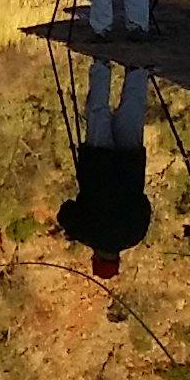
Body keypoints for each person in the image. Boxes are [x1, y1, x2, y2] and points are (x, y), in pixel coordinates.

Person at [58, 58, 153, 281]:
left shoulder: (134, 236)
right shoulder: (86, 233)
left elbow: (145, 204)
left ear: (117, 259)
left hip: (130, 164)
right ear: (96, 258)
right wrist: (72, 229)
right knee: (98, 111)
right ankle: (101, 65)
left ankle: (137, 71)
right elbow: (66, 211)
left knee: (133, 112)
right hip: (97, 162)